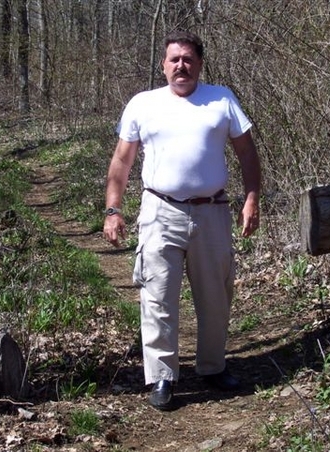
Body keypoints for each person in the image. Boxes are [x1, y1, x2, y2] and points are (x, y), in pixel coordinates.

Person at [102, 30, 261, 411]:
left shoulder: (222, 99)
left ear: (200, 64)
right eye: (174, 59)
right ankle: (161, 377)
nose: (181, 66)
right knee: (157, 297)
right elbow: (122, 161)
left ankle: (212, 367)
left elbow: (248, 153)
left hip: (212, 212)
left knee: (216, 296)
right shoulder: (144, 104)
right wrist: (113, 208)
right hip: (160, 211)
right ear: (163, 65)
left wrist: (252, 198)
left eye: (188, 59)